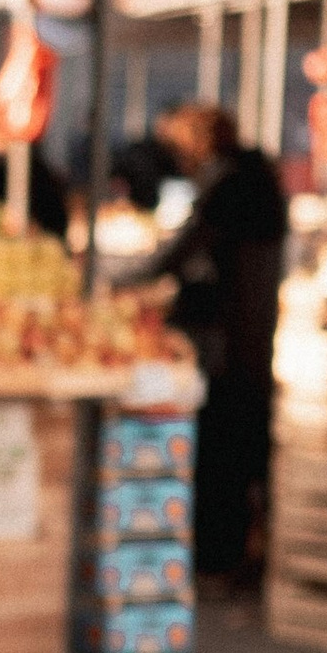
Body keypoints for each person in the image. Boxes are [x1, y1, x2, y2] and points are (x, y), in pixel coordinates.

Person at [116, 101, 286, 581]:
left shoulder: (228, 185)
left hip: (229, 340)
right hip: (252, 333)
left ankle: (218, 554)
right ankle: (232, 551)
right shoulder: (255, 179)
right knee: (239, 444)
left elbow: (186, 247)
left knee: (221, 450)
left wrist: (127, 280)